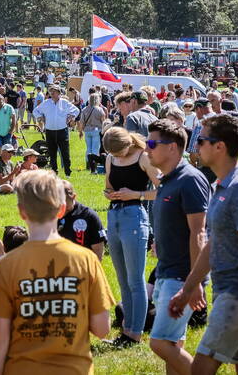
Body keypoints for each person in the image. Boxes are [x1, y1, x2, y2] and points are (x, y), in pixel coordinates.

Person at [168, 114, 238, 375]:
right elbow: (213, 245)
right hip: (233, 291)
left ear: (220, 146)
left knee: (200, 368)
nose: (196, 146)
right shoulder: (221, 186)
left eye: (201, 140)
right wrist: (188, 289)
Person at [0, 170, 114, 374]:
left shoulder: (5, 265)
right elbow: (102, 328)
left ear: (21, 212)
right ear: (62, 209)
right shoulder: (86, 259)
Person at [145, 119, 210, 374]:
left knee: (159, 341)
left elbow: (199, 232)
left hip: (182, 277)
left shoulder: (189, 180)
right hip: (165, 272)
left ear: (172, 147)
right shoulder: (168, 179)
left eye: (151, 143)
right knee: (172, 344)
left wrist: (193, 284)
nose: (147, 149)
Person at [103, 127, 160, 347]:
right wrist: (110, 193)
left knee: (135, 280)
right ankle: (126, 330)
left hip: (135, 215)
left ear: (127, 144)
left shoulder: (144, 156)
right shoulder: (111, 158)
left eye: (119, 153)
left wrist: (136, 194)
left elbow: (162, 189)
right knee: (122, 279)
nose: (116, 157)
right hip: (114, 214)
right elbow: (108, 185)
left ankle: (135, 333)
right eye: (113, 154)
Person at [32, 85, 79, 177]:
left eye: (54, 92)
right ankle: (54, 172)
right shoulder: (46, 103)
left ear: (59, 93)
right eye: (50, 92)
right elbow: (35, 111)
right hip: (50, 131)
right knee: (52, 153)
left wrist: (71, 116)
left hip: (62, 131)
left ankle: (67, 173)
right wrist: (40, 117)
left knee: (65, 153)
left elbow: (76, 110)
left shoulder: (64, 103)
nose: (52, 94)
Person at [57, 180, 106, 260]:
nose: (61, 209)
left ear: (74, 196)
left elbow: (98, 250)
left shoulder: (88, 216)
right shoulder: (50, 216)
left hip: (82, 267)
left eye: (64, 204)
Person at [77, 93, 107, 173]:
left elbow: (81, 122)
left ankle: (88, 164)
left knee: (88, 148)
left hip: (87, 130)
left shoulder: (85, 109)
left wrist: (80, 131)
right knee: (95, 149)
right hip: (97, 130)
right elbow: (103, 121)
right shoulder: (100, 109)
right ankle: (94, 166)